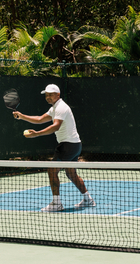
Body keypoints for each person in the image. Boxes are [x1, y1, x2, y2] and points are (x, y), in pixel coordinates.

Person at [12, 84, 96, 212]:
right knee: (71, 174)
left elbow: (56, 126)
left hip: (67, 145)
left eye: (50, 95)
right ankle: (88, 199)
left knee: (52, 170)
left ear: (58, 95)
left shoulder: (61, 107)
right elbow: (40, 119)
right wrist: (22, 116)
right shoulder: (55, 108)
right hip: (74, 145)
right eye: (46, 95)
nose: (48, 97)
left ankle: (56, 203)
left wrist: (37, 134)